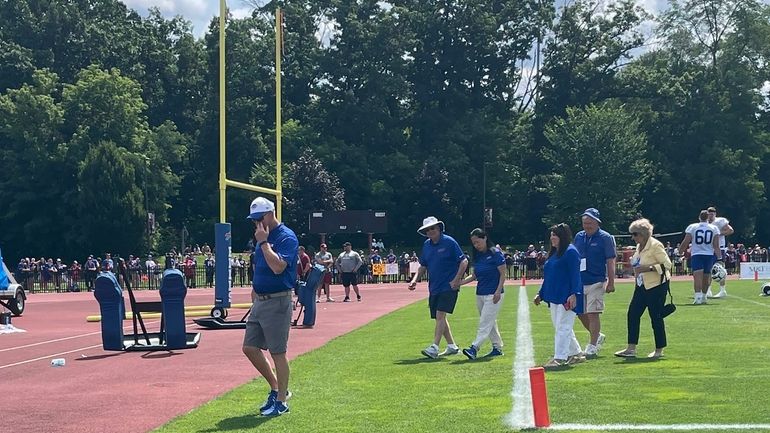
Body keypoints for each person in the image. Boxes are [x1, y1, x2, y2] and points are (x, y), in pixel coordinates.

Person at [242, 197, 298, 417]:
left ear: (269, 214)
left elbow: (278, 267)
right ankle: (276, 388)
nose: (256, 224)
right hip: (261, 300)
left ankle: (282, 400)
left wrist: (264, 243)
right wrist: (255, 290)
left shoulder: (286, 237)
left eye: (258, 219)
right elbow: (260, 267)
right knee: (249, 347)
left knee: (278, 352)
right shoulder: (260, 237)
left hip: (278, 300)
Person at [408, 216, 468, 359]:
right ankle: (452, 346)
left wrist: (456, 279)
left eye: (432, 228)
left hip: (448, 286)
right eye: (427, 230)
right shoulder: (427, 245)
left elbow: (464, 261)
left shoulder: (449, 242)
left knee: (440, 315)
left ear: (439, 228)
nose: (430, 231)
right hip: (434, 287)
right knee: (439, 317)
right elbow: (423, 265)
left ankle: (434, 347)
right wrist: (415, 279)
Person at [614, 218, 673, 359]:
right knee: (632, 314)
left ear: (643, 234)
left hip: (656, 286)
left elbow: (668, 265)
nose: (632, 237)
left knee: (656, 317)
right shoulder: (640, 247)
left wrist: (649, 268)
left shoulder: (655, 246)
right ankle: (631, 348)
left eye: (634, 234)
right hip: (641, 286)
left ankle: (659, 350)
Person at [533, 223, 584, 369]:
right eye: (551, 235)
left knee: (563, 327)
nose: (552, 238)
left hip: (566, 296)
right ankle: (576, 353)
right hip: (554, 296)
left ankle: (559, 358)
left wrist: (574, 294)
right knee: (561, 326)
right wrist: (540, 294)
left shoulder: (571, 252)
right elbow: (549, 276)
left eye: (555, 235)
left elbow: (576, 275)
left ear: (563, 236)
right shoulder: (555, 253)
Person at [573, 208, 616, 358]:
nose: (587, 225)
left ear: (597, 222)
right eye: (585, 223)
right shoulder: (579, 236)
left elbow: (610, 260)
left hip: (597, 280)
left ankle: (592, 346)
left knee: (593, 313)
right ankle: (597, 336)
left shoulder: (605, 237)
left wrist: (611, 281)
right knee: (579, 312)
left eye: (590, 222)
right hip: (580, 280)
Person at [460, 228, 505, 360]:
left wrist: (498, 290)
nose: (476, 245)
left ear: (485, 238)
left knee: (485, 322)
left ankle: (474, 347)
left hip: (493, 293)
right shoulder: (478, 256)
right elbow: (474, 275)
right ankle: (497, 347)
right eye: (474, 243)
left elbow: (503, 273)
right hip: (480, 293)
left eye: (478, 242)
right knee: (489, 321)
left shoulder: (495, 253)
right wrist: (460, 283)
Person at [678, 210, 722, 305]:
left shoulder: (692, 227)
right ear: (708, 218)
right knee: (706, 277)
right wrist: (720, 258)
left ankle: (698, 297)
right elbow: (716, 245)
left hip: (697, 254)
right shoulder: (714, 228)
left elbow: (686, 241)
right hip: (709, 255)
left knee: (697, 276)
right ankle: (704, 297)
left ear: (699, 217)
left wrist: (680, 251)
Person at [706, 206, 734, 298]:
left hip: (719, 247)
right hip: (709, 248)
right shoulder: (705, 223)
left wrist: (718, 234)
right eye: (709, 214)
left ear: (715, 214)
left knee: (720, 269)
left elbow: (730, 230)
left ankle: (722, 290)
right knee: (708, 269)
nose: (710, 216)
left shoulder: (720, 221)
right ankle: (708, 290)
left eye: (712, 214)